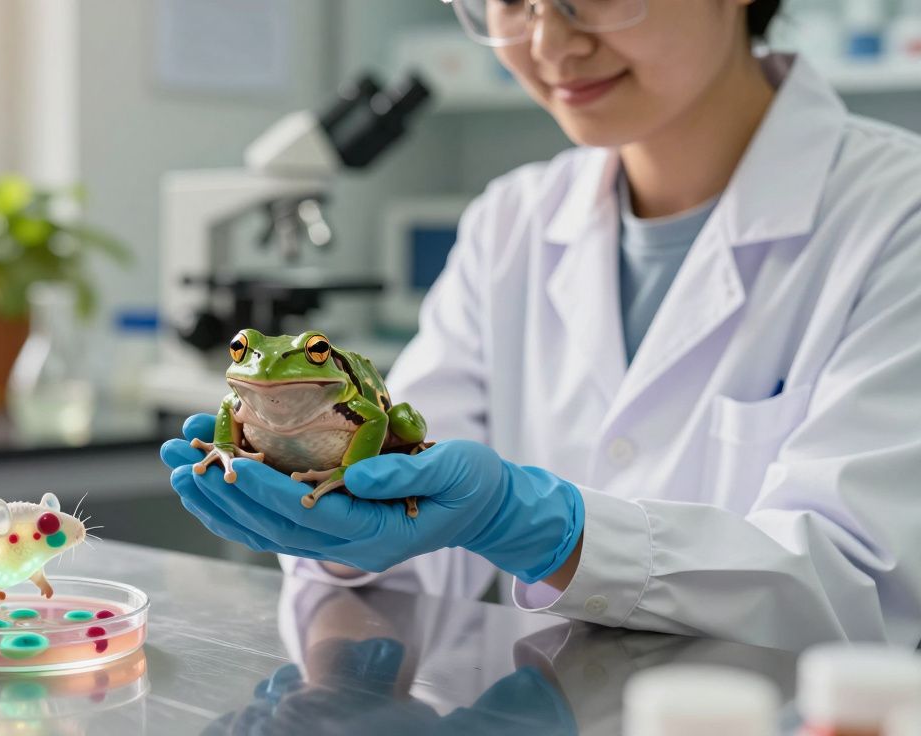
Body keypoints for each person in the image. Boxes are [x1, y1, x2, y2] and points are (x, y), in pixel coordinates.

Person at [161, 0, 921, 651]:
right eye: (510, 0)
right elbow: (410, 515)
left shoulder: (897, 217)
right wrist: (341, 539)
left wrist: (551, 529)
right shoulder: (512, 220)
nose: (550, 42)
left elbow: (861, 589)